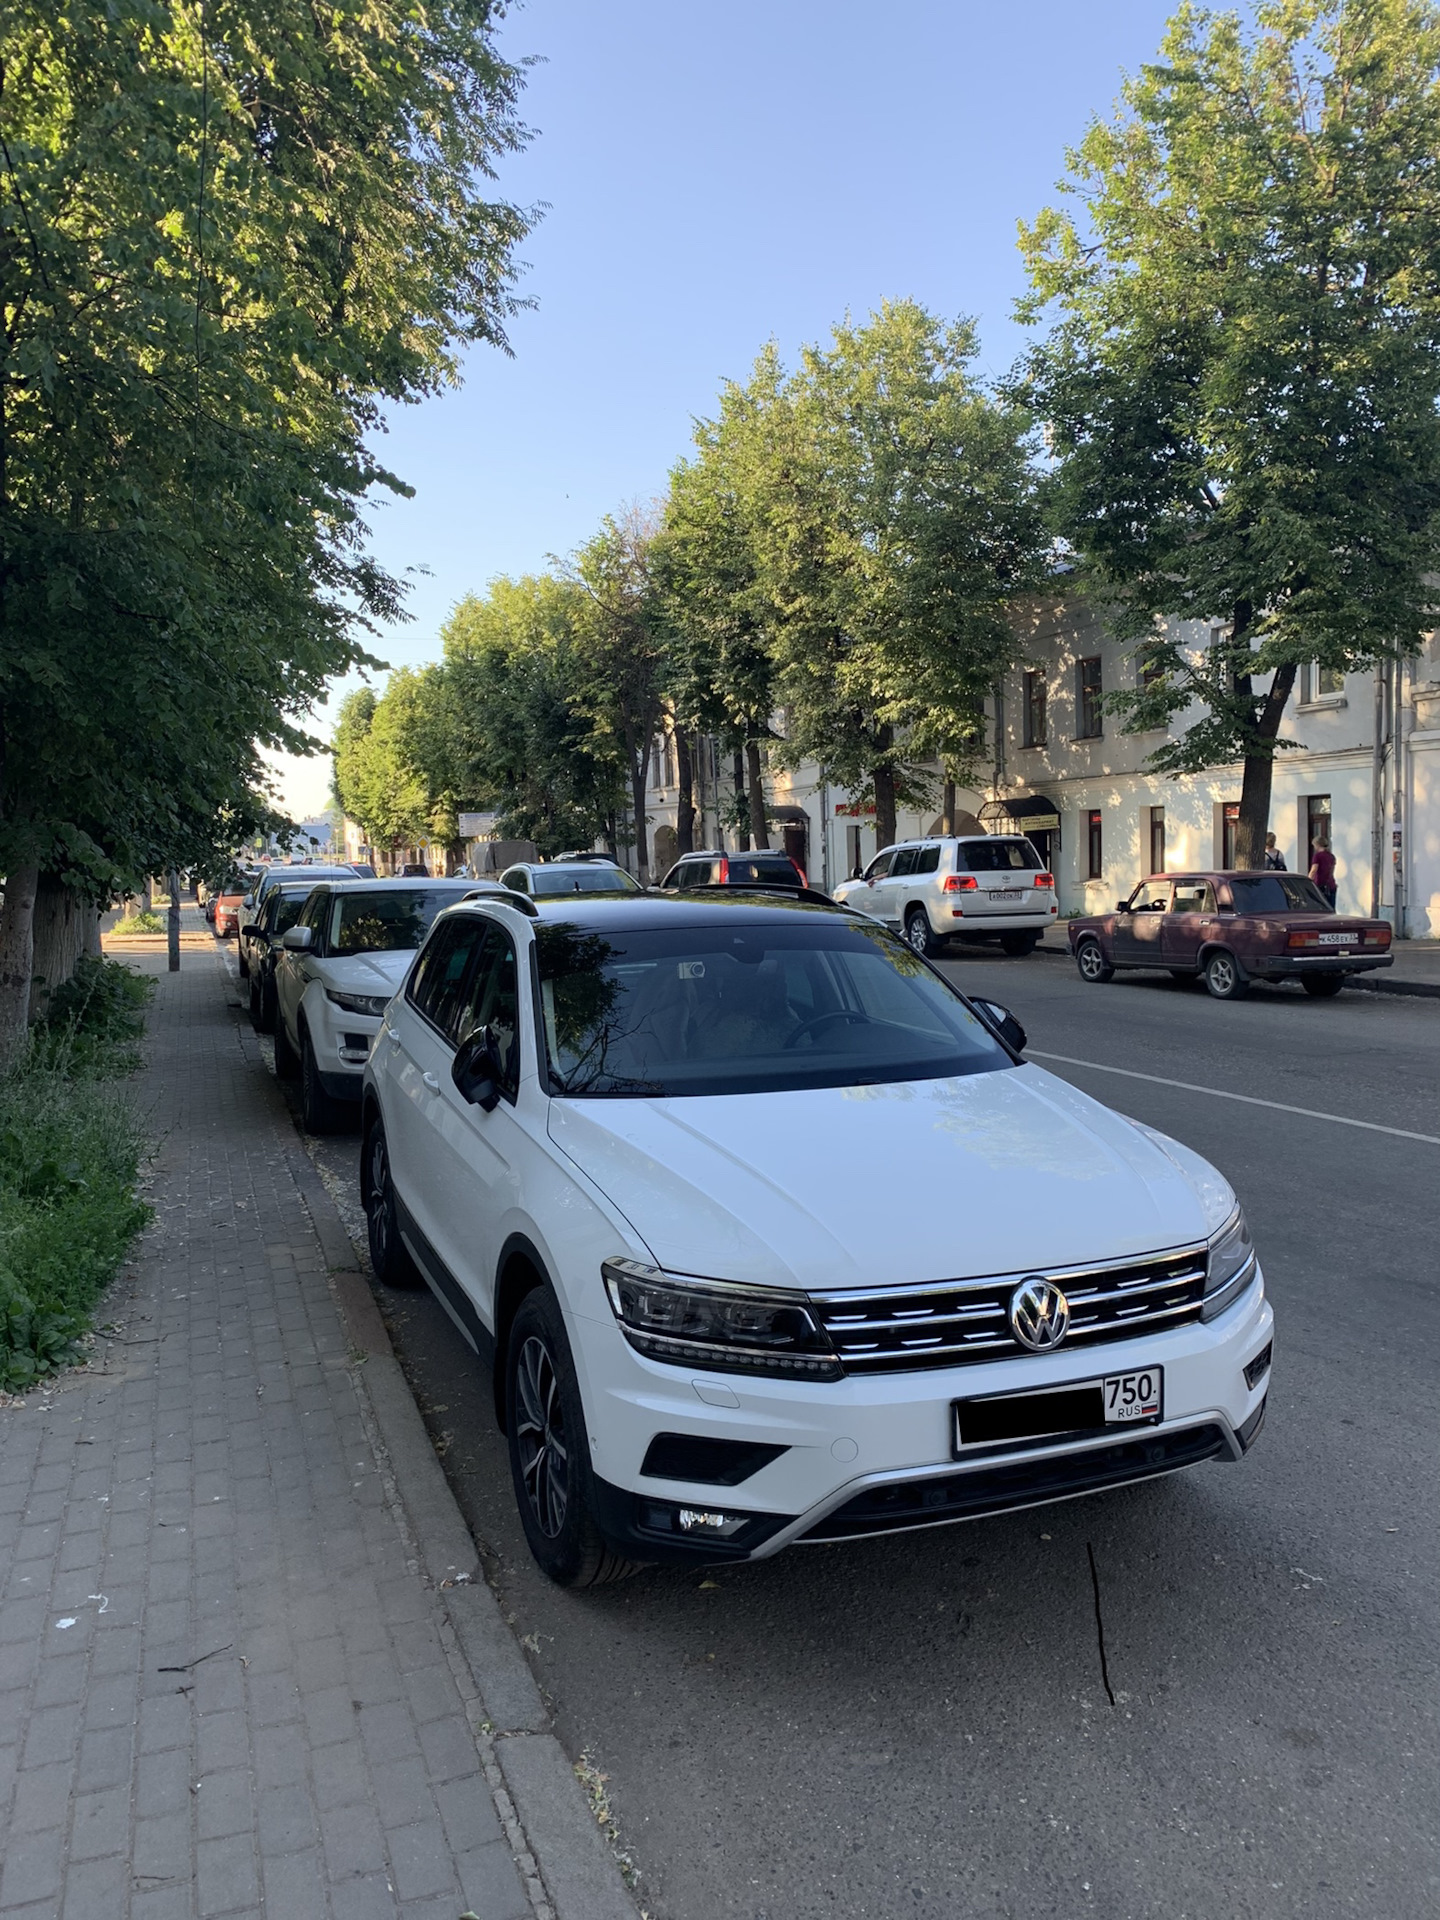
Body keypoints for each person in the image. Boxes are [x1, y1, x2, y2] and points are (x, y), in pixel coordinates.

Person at [1309, 834, 1337, 908]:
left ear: (1317, 845)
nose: (1314, 848)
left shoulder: (1317, 856)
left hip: (1320, 884)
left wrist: (1308, 881)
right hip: (1331, 885)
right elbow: (1332, 871)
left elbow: (1313, 870)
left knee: (1319, 908)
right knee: (1330, 908)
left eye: (1314, 845)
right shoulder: (1331, 856)